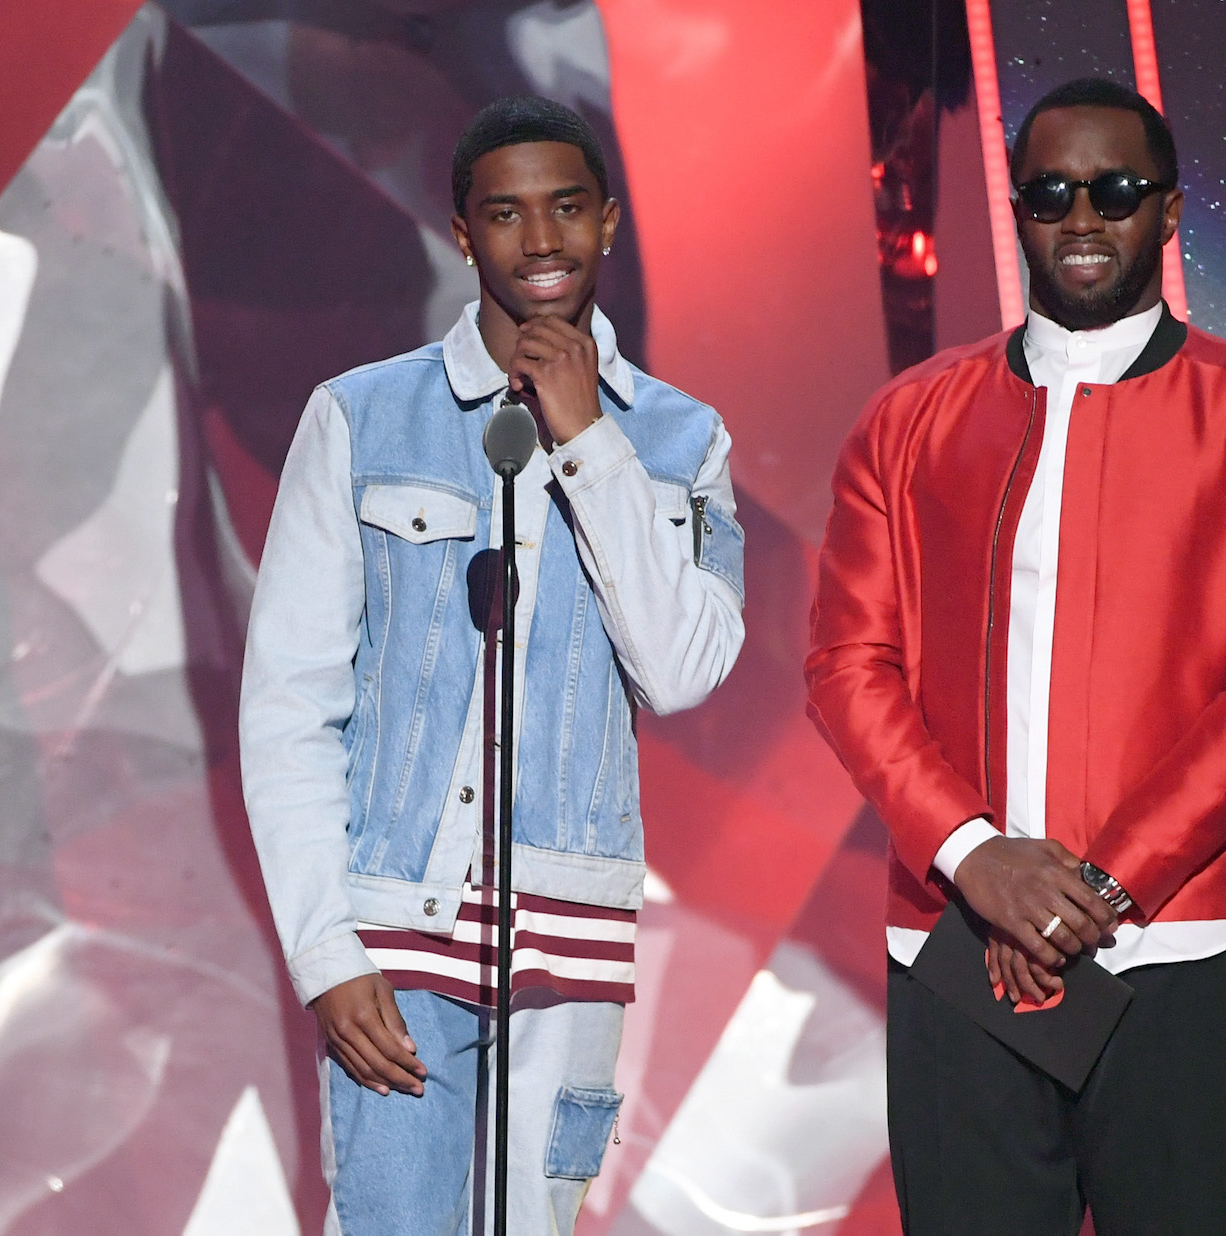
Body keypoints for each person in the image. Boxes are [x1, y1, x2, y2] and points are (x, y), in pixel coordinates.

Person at [806, 77, 1226, 1235]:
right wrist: (979, 864)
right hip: (958, 947)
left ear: (1169, 210)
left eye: (1115, 191)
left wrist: (1098, 892)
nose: (1083, 219)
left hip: (1183, 950)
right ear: (1017, 209)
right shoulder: (909, 422)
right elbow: (850, 664)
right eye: (1052, 193)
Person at [239, 96, 744, 1234]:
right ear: (464, 234)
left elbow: (682, 670)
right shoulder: (360, 419)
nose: (542, 239)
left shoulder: (680, 439)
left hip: (569, 938)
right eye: (505, 213)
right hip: (391, 937)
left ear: (610, 220)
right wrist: (327, 950)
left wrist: (587, 440)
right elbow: (288, 707)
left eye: (567, 207)